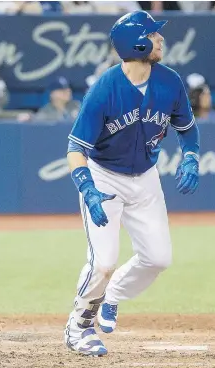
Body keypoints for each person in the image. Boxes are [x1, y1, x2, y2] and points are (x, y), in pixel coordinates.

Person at [64, 11, 200, 356]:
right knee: (103, 261)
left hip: (146, 179)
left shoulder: (169, 81)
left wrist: (191, 156)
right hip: (104, 177)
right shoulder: (105, 89)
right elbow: (76, 148)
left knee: (158, 258)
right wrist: (88, 190)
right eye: (154, 35)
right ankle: (78, 327)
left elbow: (186, 129)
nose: (161, 39)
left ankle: (114, 295)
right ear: (137, 43)